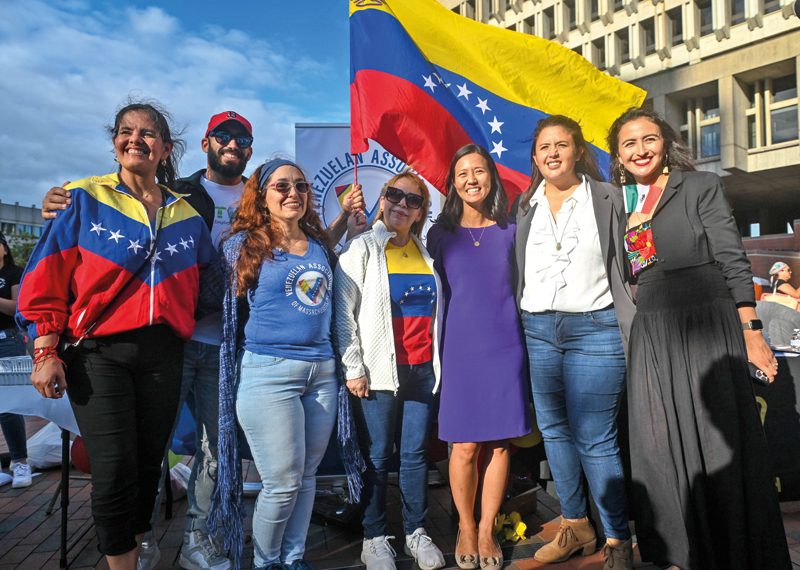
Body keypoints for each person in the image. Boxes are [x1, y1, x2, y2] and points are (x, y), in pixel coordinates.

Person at [40, 111, 365, 570]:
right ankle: (140, 535)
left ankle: (199, 536)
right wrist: (61, 199)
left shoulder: (263, 195)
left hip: (223, 348)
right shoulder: (179, 195)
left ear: (250, 151)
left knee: (215, 451)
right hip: (169, 340)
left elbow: (306, 261)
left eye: (242, 138)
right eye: (224, 136)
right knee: (149, 449)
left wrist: (340, 230)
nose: (233, 144)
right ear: (207, 143)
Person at [16, 100, 214, 570]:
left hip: (165, 353)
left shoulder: (187, 214)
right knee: (114, 467)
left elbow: (209, 281)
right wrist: (44, 348)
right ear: (114, 142)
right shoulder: (81, 197)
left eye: (149, 134)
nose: (136, 140)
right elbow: (46, 277)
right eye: (127, 131)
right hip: (98, 353)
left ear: (166, 148)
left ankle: (140, 545)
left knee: (149, 464)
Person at [608, 106, 791, 570]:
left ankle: (732, 551)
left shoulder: (701, 186)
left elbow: (732, 261)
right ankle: (678, 553)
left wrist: (751, 332)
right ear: (618, 155)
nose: (640, 150)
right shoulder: (622, 201)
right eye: (629, 143)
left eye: (648, 139)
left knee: (715, 441)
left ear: (666, 142)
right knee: (659, 444)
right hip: (654, 328)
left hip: (707, 323)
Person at [210, 159, 346, 570]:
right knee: (282, 484)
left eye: (301, 186)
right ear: (262, 196)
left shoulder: (321, 244)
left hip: (321, 374)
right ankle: (266, 562)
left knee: (306, 479)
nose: (293, 193)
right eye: (281, 186)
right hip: (268, 375)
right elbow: (218, 303)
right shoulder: (242, 245)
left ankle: (293, 559)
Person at [513, 115, 635, 569]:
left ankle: (618, 539)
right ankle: (575, 524)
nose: (552, 154)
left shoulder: (610, 198)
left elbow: (637, 259)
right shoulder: (524, 205)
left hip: (596, 329)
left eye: (561, 145)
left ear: (578, 151)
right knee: (554, 433)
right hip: (539, 329)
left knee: (595, 438)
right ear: (535, 157)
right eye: (543, 147)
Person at [335, 172, 445, 570]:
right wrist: (353, 366)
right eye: (394, 195)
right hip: (379, 373)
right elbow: (343, 314)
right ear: (382, 199)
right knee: (378, 456)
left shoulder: (426, 252)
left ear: (421, 213)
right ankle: (374, 536)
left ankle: (416, 531)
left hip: (421, 372)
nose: (401, 204)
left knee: (415, 455)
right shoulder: (362, 248)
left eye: (412, 200)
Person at [427, 144, 530, 570]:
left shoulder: (512, 228)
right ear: (452, 183)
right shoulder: (439, 233)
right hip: (459, 351)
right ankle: (465, 526)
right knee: (464, 445)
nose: (471, 179)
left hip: (507, 347)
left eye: (479, 171)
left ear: (491, 177)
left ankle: (487, 530)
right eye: (462, 173)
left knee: (500, 445)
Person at [0, 231, 32, 489]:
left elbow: (16, 307)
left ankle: (20, 461)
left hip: (7, 340)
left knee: (9, 405)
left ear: (4, 248)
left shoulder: (14, 272)